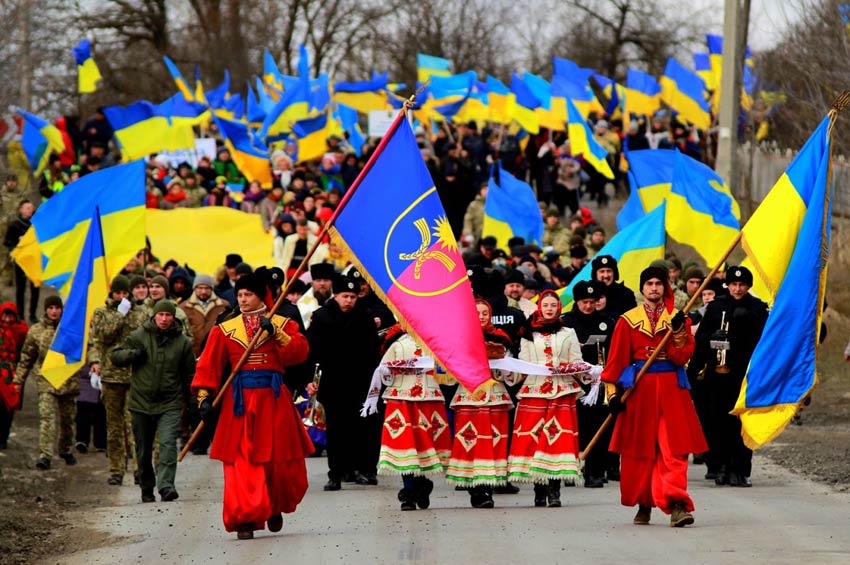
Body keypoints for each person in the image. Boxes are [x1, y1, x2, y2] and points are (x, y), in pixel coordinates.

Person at [192, 272, 312, 539]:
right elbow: (208, 366)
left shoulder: (281, 323)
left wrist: (277, 334)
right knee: (241, 461)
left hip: (274, 399)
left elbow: (299, 354)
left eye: (248, 295)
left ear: (260, 296)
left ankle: (274, 505)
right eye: (240, 295)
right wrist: (203, 398)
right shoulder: (224, 328)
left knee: (277, 461)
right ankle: (244, 519)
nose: (242, 299)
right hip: (239, 403)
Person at [601, 266, 706, 527]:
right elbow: (614, 363)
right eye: (649, 283)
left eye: (659, 283)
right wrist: (613, 396)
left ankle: (677, 505)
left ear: (665, 287)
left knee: (674, 449)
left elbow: (683, 357)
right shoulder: (627, 321)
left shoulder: (677, 318)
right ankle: (643, 502)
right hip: (640, 391)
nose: (654, 288)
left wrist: (680, 332)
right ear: (642, 288)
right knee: (639, 451)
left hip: (672, 389)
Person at [689, 266, 768, 487]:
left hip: (744, 375)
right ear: (728, 285)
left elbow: (765, 343)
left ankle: (741, 470)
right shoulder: (717, 307)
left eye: (742, 285)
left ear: (748, 286)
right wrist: (710, 338)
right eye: (734, 284)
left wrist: (748, 321)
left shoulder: (757, 309)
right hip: (718, 374)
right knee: (718, 422)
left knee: (742, 423)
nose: (738, 288)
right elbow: (701, 339)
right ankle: (721, 466)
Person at [507, 290, 586, 507]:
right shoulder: (528, 333)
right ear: (539, 307)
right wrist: (504, 370)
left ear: (559, 308)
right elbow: (523, 364)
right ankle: (539, 489)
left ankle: (554, 490)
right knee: (535, 439)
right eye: (545, 305)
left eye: (553, 305)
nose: (549, 308)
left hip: (562, 391)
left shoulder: (568, 332)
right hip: (535, 391)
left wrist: (592, 373)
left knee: (557, 439)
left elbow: (576, 362)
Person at [112, 300, 196, 503]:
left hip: (170, 402)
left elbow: (189, 374)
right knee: (143, 448)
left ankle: (166, 486)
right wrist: (133, 355)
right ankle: (146, 486)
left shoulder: (183, 343)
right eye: (161, 315)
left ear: (174, 317)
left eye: (168, 315)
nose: (164, 319)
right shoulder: (139, 336)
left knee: (167, 444)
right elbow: (115, 356)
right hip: (141, 403)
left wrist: (194, 401)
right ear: (154, 316)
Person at [307, 275, 381, 491]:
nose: (349, 300)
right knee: (337, 430)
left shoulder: (364, 317)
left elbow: (372, 350)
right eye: (345, 296)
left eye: (352, 296)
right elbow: (311, 350)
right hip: (334, 381)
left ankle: (362, 469)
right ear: (336, 295)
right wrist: (310, 379)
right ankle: (335, 473)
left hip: (360, 380)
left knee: (361, 428)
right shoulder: (321, 317)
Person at [446, 300, 515, 508]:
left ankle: (486, 489)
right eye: (478, 313)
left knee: (493, 441)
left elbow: (512, 374)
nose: (482, 316)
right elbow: (449, 374)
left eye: (485, 313)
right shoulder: (459, 338)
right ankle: (474, 485)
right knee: (470, 440)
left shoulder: (501, 339)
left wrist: (499, 362)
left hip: (495, 397)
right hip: (469, 396)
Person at [374, 329, 451, 511]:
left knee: (424, 444)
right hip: (402, 398)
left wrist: (438, 367)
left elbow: (448, 376)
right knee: (404, 445)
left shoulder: (437, 341)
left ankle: (422, 483)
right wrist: (387, 370)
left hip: (429, 397)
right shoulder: (397, 343)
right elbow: (383, 372)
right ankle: (409, 492)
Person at [89, 275, 149, 485]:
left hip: (135, 376)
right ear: (112, 294)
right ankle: (116, 469)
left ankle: (139, 469)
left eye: (125, 293)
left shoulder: (140, 313)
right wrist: (119, 315)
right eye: (118, 293)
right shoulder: (102, 313)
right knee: (113, 427)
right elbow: (101, 337)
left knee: (134, 425)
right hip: (111, 376)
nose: (122, 297)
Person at [561, 280, 617, 488]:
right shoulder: (566, 322)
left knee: (597, 426)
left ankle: (594, 471)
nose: (589, 306)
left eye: (592, 302)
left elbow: (614, 350)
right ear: (577, 302)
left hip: (597, 383)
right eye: (585, 302)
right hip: (573, 382)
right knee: (574, 427)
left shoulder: (606, 321)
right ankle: (570, 469)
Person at [12, 296, 79, 469]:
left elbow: (87, 347)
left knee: (67, 420)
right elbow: (26, 358)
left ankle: (65, 449)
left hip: (68, 380)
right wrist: (18, 380)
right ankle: (45, 455)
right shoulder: (36, 331)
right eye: (51, 308)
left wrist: (94, 364)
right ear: (45, 309)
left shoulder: (71, 328)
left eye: (57, 307)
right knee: (47, 418)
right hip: (45, 380)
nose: (54, 311)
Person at [4, 200, 39, 323]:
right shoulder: (15, 225)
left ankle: (33, 315)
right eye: (27, 207)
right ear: (21, 210)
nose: (30, 209)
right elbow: (7, 243)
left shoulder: (37, 223)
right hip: (21, 261)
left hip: (35, 260)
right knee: (21, 288)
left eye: (32, 207)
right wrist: (18, 242)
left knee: (35, 287)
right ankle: (20, 315)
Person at [179, 274, 229, 358]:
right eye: (200, 288)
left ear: (211, 289)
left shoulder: (223, 306)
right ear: (194, 288)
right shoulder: (183, 307)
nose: (203, 292)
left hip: (217, 353)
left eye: (207, 288)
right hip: (192, 354)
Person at [297, 263, 335, 329]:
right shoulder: (302, 303)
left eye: (326, 280)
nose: (322, 283)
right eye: (318, 280)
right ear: (312, 283)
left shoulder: (338, 300)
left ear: (331, 282)